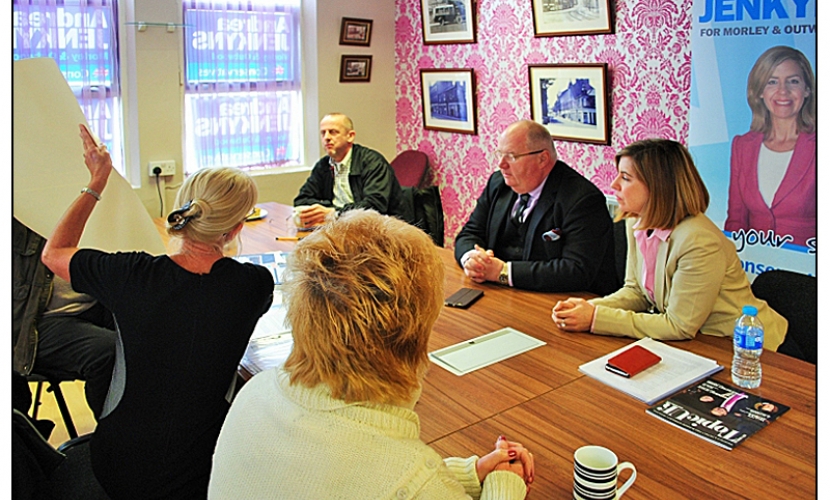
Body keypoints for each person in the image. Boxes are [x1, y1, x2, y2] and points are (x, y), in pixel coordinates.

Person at [209, 210, 535, 499]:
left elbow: (340, 479)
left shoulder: (254, 392)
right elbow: (391, 480)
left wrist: (468, 473)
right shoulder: (411, 480)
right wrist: (505, 483)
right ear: (412, 333)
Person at [40, 124, 274, 499]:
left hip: (116, 465)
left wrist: (97, 181)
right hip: (201, 469)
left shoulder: (131, 274)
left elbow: (53, 254)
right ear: (234, 229)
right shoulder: (254, 285)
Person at [551, 139, 789, 351]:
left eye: (625, 177)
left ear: (658, 186)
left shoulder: (698, 241)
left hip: (745, 348)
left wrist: (596, 317)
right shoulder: (637, 220)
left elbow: (679, 325)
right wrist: (588, 307)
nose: (614, 185)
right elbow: (636, 292)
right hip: (699, 343)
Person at [454, 119, 618, 294]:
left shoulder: (582, 199)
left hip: (564, 301)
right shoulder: (498, 184)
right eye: (499, 154)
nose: (501, 164)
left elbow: (576, 270)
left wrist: (503, 273)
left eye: (511, 156)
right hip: (502, 293)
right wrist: (471, 259)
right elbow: (470, 233)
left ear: (542, 159)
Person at [13, 217, 116, 422]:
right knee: (107, 351)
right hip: (35, 321)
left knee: (154, 330)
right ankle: (116, 439)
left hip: (93, 303)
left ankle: (158, 431)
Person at [724, 46, 816, 247]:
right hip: (754, 268)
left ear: (807, 90)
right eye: (772, 82)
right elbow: (736, 220)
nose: (783, 91)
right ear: (759, 92)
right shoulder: (742, 146)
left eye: (793, 81)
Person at [293, 113, 403, 227]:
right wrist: (329, 210)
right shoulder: (324, 165)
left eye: (333, 132)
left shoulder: (373, 163)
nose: (326, 138)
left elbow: (375, 207)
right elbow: (301, 200)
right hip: (339, 227)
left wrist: (335, 213)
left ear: (350, 136)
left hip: (379, 229)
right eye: (323, 133)